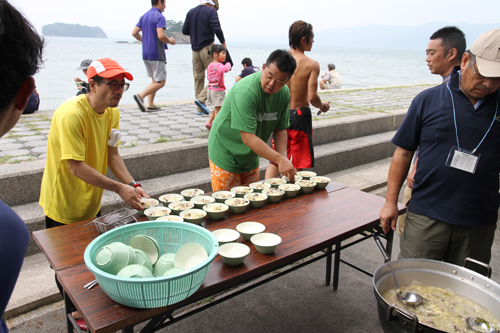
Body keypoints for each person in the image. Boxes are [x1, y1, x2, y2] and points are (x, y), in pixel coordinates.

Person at [379, 29, 500, 272]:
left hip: (478, 221)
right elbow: (403, 154)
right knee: (412, 280)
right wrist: (390, 202)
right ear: (465, 60)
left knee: (465, 292)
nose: (488, 84)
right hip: (427, 214)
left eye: (497, 78)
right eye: (483, 74)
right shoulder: (428, 100)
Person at [397, 26, 466, 237]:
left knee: (409, 233)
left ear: (452, 53)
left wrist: (416, 166)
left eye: (431, 52)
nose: (427, 58)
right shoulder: (444, 91)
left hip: (430, 192)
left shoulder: (439, 96)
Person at [0, 1, 43, 332]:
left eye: (121, 86)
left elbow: (113, 152)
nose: (117, 92)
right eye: (112, 84)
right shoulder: (7, 233)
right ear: (24, 92)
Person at [208, 49, 297, 191]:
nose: (272, 84)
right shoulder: (245, 91)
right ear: (263, 67)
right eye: (269, 76)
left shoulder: (284, 94)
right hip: (225, 151)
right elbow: (248, 138)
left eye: (280, 81)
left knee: (252, 201)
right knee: (228, 205)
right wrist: (279, 159)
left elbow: (280, 129)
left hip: (251, 155)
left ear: (288, 80)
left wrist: (283, 158)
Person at [265, 21, 330, 179]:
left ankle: (267, 190)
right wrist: (322, 106)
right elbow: (312, 96)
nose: (313, 42)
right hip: (300, 116)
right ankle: (294, 194)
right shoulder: (311, 65)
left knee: (275, 159)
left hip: (281, 114)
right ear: (303, 39)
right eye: (312, 38)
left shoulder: (280, 59)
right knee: (300, 161)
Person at [182, 0, 226, 115]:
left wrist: (196, 31)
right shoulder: (211, 11)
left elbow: (185, 30)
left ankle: (199, 108)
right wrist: (223, 43)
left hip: (194, 49)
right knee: (216, 76)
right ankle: (201, 100)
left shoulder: (191, 12)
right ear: (212, 4)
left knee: (198, 77)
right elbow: (216, 28)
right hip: (207, 49)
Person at [132, 0, 176, 112]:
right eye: (165, 2)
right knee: (161, 82)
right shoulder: (159, 17)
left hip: (145, 53)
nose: (165, 5)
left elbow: (134, 33)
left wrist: (145, 40)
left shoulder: (144, 16)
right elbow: (161, 35)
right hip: (156, 53)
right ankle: (140, 96)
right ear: (160, 2)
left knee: (154, 80)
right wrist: (170, 41)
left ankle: (151, 105)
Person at [205, 44, 231, 130]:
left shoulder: (210, 65)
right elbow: (225, 69)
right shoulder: (219, 65)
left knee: (217, 107)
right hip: (218, 90)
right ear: (215, 54)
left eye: (225, 54)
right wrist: (228, 64)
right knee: (218, 109)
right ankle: (217, 126)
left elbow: (208, 77)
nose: (225, 55)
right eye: (223, 53)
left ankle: (209, 122)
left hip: (210, 89)